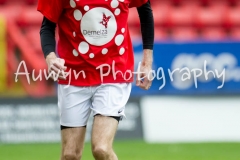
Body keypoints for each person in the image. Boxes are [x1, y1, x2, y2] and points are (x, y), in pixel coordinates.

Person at [38, 0, 154, 159]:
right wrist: (51, 58)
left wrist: (147, 62)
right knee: (70, 154)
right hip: (73, 74)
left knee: (101, 149)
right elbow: (47, 27)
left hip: (114, 72)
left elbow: (145, 10)